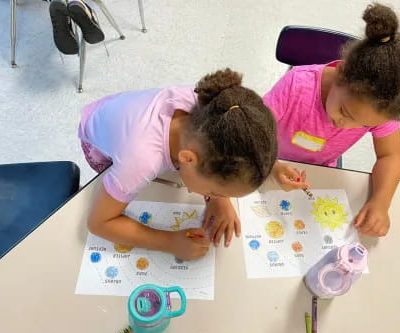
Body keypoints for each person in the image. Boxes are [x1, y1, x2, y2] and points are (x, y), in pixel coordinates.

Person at [265, 3, 400, 237]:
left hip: (318, 174)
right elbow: (252, 132)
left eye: (364, 124)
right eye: (345, 111)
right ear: (341, 74)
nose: (344, 125)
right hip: (266, 160)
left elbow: (390, 156)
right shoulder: (296, 85)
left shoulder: (380, 108)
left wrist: (381, 202)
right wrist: (272, 166)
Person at [79, 69, 277, 260]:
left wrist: (218, 200)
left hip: (126, 111)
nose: (221, 198)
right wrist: (170, 242)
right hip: (98, 139)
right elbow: (99, 223)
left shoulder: (213, 105)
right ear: (187, 159)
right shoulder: (140, 163)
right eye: (217, 192)